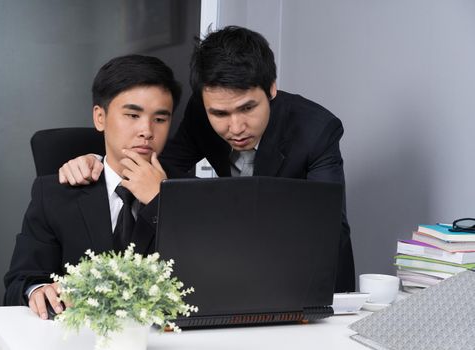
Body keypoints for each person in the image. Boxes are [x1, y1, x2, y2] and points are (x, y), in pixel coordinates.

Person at [58, 26, 355, 292]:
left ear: (271, 88)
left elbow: (329, 231)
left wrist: (169, 198)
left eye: (248, 108)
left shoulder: (316, 130)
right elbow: (163, 164)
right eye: (220, 114)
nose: (236, 128)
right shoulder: (201, 113)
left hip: (307, 278)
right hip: (234, 275)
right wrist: (98, 160)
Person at [3, 54, 182, 319]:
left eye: (160, 119)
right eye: (132, 115)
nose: (146, 130)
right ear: (100, 117)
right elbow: (18, 282)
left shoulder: (189, 193)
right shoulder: (54, 192)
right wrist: (37, 290)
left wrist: (160, 202)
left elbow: (208, 281)